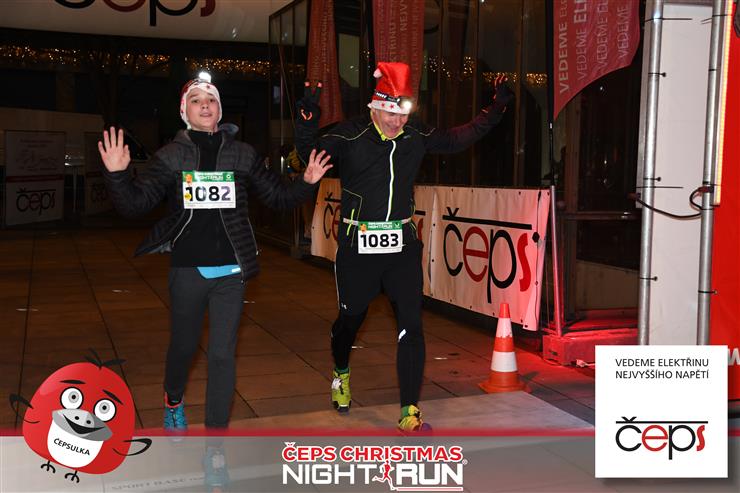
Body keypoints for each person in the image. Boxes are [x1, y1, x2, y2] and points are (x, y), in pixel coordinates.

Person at [98, 74, 332, 438]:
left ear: (219, 110)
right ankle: (173, 399)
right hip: (188, 269)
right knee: (184, 347)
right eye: (195, 100)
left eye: (210, 99)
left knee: (222, 355)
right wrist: (117, 176)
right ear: (185, 112)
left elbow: (278, 198)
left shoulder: (242, 154)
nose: (204, 104)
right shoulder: (171, 156)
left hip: (231, 272)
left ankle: (216, 442)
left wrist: (306, 182)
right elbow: (134, 205)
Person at [294, 62, 513, 431]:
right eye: (390, 114)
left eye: (403, 114)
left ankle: (409, 410)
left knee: (411, 325)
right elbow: (310, 157)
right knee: (350, 321)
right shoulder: (350, 135)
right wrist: (306, 121)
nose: (397, 122)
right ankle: (341, 371)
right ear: (375, 107)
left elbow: (458, 138)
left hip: (401, 247)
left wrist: (496, 109)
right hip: (358, 248)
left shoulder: (415, 134)